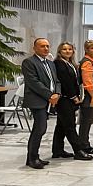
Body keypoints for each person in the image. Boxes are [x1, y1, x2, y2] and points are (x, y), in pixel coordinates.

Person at [22, 38, 61, 168]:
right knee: (39, 128)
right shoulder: (29, 62)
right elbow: (33, 82)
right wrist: (50, 95)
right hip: (37, 100)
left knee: (41, 129)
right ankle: (32, 158)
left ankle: (33, 157)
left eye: (47, 46)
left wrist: (57, 94)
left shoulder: (50, 63)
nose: (46, 48)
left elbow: (56, 81)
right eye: (42, 46)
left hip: (49, 100)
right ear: (35, 48)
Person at [52, 42, 92, 161]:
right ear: (60, 51)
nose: (68, 51)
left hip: (69, 98)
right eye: (64, 49)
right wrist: (73, 96)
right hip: (64, 98)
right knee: (70, 125)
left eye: (70, 49)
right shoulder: (59, 63)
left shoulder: (70, 63)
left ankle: (57, 150)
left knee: (61, 125)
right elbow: (65, 81)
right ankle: (78, 150)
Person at [78, 40, 93, 154]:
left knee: (88, 122)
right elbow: (88, 82)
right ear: (86, 50)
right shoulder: (87, 62)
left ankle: (85, 143)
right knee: (86, 122)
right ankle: (84, 145)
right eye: (92, 48)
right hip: (89, 97)